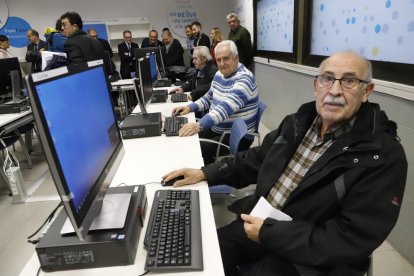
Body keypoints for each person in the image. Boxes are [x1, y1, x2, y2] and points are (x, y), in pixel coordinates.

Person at [163, 51, 408, 276]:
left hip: (313, 257)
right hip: (265, 226)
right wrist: (205, 173)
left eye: (349, 81)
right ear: (316, 85)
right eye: (327, 79)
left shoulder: (382, 155)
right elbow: (258, 159)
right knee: (207, 254)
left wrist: (269, 233)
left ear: (367, 91)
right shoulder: (299, 121)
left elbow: (351, 238)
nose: (334, 90)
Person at [171, 40, 258, 164]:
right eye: (218, 60)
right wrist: (191, 107)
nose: (222, 64)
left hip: (235, 135)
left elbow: (225, 108)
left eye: (226, 58)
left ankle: (206, 175)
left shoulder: (244, 78)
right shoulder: (219, 74)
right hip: (218, 128)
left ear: (236, 58)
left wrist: (199, 125)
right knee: (184, 139)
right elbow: (208, 97)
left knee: (191, 146)